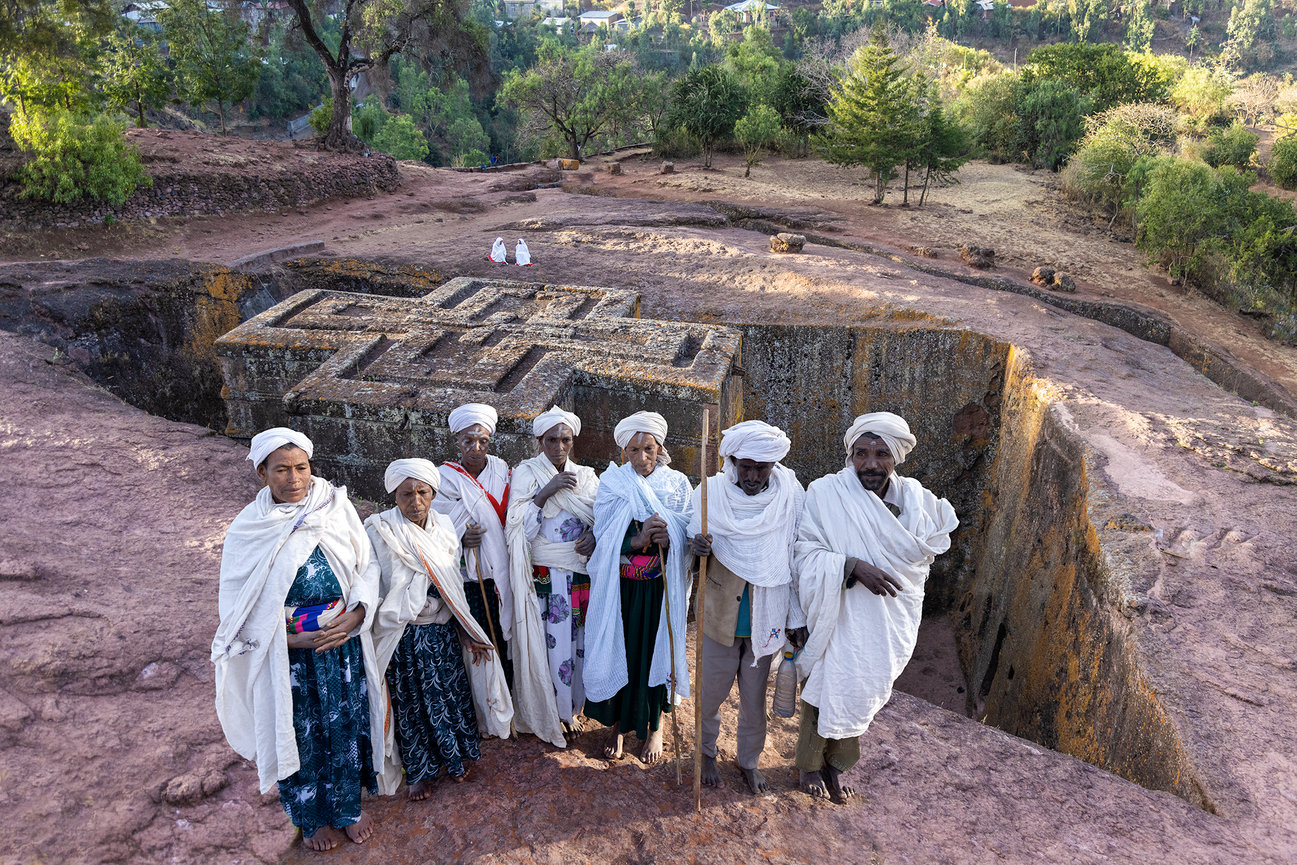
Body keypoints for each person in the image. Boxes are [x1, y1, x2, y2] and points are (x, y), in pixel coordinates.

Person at [212, 428, 385, 852]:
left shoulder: (334, 508)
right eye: (282, 470)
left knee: (344, 725)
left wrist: (357, 615)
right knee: (299, 732)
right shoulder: (248, 529)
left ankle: (347, 809)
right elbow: (237, 608)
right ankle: (311, 819)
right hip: (286, 657)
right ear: (261, 473)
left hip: (339, 646)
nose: (294, 479)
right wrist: (288, 642)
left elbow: (367, 568)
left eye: (301, 468)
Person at [793, 412, 958, 803]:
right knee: (827, 684)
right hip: (839, 610)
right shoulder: (825, 493)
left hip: (889, 618)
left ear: (896, 457)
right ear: (849, 456)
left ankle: (838, 766)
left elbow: (929, 548)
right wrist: (850, 566)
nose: (870, 463)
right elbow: (803, 552)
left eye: (881, 453)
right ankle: (809, 764)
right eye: (861, 453)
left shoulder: (919, 501)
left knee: (866, 685)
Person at [366, 459, 513, 801]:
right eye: (406, 494)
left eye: (422, 492)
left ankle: (457, 756)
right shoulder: (379, 530)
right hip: (403, 634)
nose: (415, 501)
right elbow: (375, 585)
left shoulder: (446, 527)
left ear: (433, 493)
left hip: (443, 630)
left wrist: (463, 630)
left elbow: (452, 584)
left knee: (450, 694)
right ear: (394, 495)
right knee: (411, 703)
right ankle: (419, 772)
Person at [687, 420, 808, 795]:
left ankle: (748, 761)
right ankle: (706, 753)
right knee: (710, 697)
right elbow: (688, 544)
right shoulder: (709, 495)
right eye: (746, 466)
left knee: (754, 704)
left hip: (765, 621)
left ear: (774, 465)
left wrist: (797, 617)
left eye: (762, 467)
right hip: (719, 618)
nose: (753, 476)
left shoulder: (790, 496)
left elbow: (796, 557)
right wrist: (697, 549)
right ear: (733, 461)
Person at [584, 410, 694, 764]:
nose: (642, 458)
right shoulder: (613, 483)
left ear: (660, 447)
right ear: (623, 452)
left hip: (659, 591)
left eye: (649, 448)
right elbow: (604, 538)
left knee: (655, 654)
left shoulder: (677, 485)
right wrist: (637, 538)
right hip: (623, 592)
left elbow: (688, 536)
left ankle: (656, 727)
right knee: (624, 652)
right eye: (634, 450)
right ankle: (616, 725)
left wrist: (670, 537)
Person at [504, 406, 599, 746]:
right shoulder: (527, 474)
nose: (559, 447)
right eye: (551, 440)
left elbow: (600, 516)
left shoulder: (587, 476)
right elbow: (517, 528)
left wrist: (595, 536)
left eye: (565, 440)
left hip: (578, 574)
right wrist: (548, 490)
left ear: (572, 441)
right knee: (547, 642)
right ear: (539, 442)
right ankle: (549, 710)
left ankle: (572, 707)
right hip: (544, 575)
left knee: (578, 642)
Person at [431, 403, 514, 690]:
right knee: (476, 637)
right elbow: (435, 528)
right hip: (469, 577)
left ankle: (506, 697)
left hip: (500, 573)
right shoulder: (443, 479)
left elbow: (512, 516)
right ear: (458, 441)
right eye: (469, 441)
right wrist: (460, 538)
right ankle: (482, 701)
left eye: (483, 441)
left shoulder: (501, 470)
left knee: (503, 636)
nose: (476, 448)